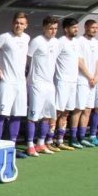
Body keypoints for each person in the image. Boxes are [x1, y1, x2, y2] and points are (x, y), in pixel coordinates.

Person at [0, 12, 30, 157]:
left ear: (26, 25)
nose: (18, 26)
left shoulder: (27, 38)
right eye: (16, 23)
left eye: (21, 23)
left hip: (21, 83)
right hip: (7, 82)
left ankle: (12, 148)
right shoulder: (4, 37)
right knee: (2, 114)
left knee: (17, 115)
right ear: (12, 23)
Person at [25, 16, 60, 157]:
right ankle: (29, 145)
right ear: (44, 28)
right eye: (51, 28)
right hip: (36, 83)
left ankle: (40, 143)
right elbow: (26, 60)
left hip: (49, 84)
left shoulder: (56, 42)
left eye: (55, 28)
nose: (53, 31)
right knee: (33, 116)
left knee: (47, 116)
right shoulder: (36, 41)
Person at [72, 19, 98, 147]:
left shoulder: (96, 43)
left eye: (96, 28)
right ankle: (73, 138)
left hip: (93, 81)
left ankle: (82, 137)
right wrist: (89, 76)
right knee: (79, 109)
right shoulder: (79, 41)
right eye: (92, 27)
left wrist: (96, 76)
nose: (95, 30)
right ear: (86, 27)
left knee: (88, 110)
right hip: (82, 80)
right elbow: (80, 62)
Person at [53, 17, 80, 151]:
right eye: (74, 27)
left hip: (73, 82)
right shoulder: (60, 42)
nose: (76, 29)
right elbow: (52, 59)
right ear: (66, 29)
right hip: (62, 81)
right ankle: (49, 140)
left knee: (66, 112)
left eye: (77, 27)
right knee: (57, 112)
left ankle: (60, 140)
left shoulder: (76, 42)